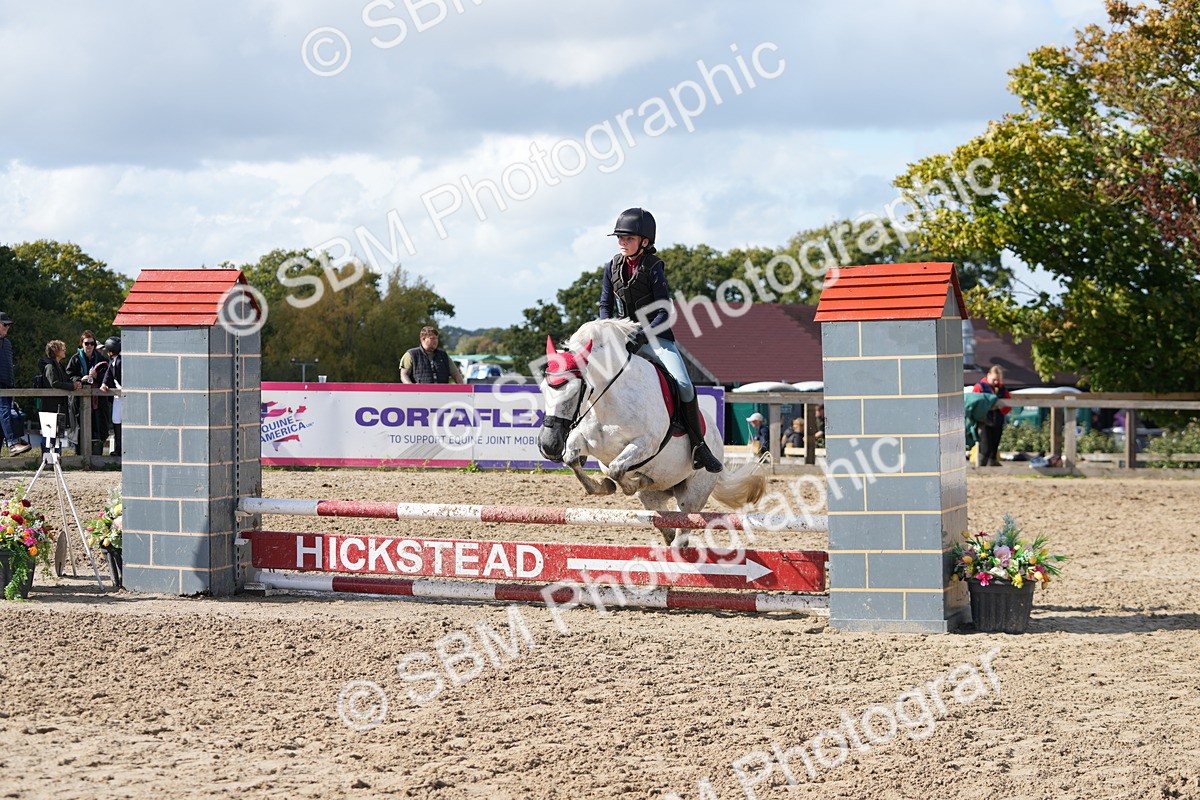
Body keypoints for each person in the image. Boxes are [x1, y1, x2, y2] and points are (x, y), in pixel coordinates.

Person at [598, 207, 723, 473]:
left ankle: (700, 446)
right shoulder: (612, 266)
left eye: (628, 238)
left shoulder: (654, 267)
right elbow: (605, 305)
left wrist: (641, 336)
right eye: (619, 238)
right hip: (623, 338)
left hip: (656, 338)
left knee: (685, 385)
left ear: (644, 241)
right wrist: (608, 330)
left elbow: (664, 312)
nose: (622, 243)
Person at [65, 330, 111, 455]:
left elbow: (109, 377)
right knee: (79, 427)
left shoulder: (101, 359)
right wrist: (81, 379)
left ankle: (97, 456)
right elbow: (68, 376)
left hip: (98, 402)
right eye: (86, 343)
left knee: (98, 426)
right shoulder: (75, 359)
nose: (89, 346)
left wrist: (97, 376)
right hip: (79, 401)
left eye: (92, 343)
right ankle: (80, 456)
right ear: (82, 344)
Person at [38, 340, 82, 453]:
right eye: (62, 349)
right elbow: (54, 383)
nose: (64, 351)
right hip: (51, 406)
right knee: (49, 435)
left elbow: (66, 380)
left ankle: (57, 457)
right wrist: (72, 386)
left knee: (57, 434)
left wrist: (77, 382)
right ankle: (47, 457)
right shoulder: (49, 366)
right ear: (56, 351)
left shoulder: (59, 365)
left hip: (59, 405)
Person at [0, 312, 33, 455]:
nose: (8, 327)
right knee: (5, 413)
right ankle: (13, 443)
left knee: (3, 420)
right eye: (5, 324)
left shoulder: (7, 343)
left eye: (9, 325)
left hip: (7, 385)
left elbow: (9, 365)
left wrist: (12, 387)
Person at [972, 365, 1012, 467]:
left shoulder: (1002, 389)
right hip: (983, 420)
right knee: (985, 447)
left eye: (998, 380)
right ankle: (981, 467)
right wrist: (989, 407)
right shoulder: (979, 387)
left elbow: (1008, 406)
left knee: (995, 445)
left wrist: (1000, 407)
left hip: (997, 420)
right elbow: (974, 403)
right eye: (994, 379)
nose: (996, 382)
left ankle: (992, 466)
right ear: (988, 375)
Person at [98, 336, 123, 455]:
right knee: (116, 420)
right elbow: (108, 372)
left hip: (122, 394)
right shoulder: (115, 361)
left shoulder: (119, 362)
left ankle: (120, 448)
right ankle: (119, 447)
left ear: (110, 351)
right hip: (119, 394)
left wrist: (105, 383)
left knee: (117, 420)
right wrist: (104, 383)